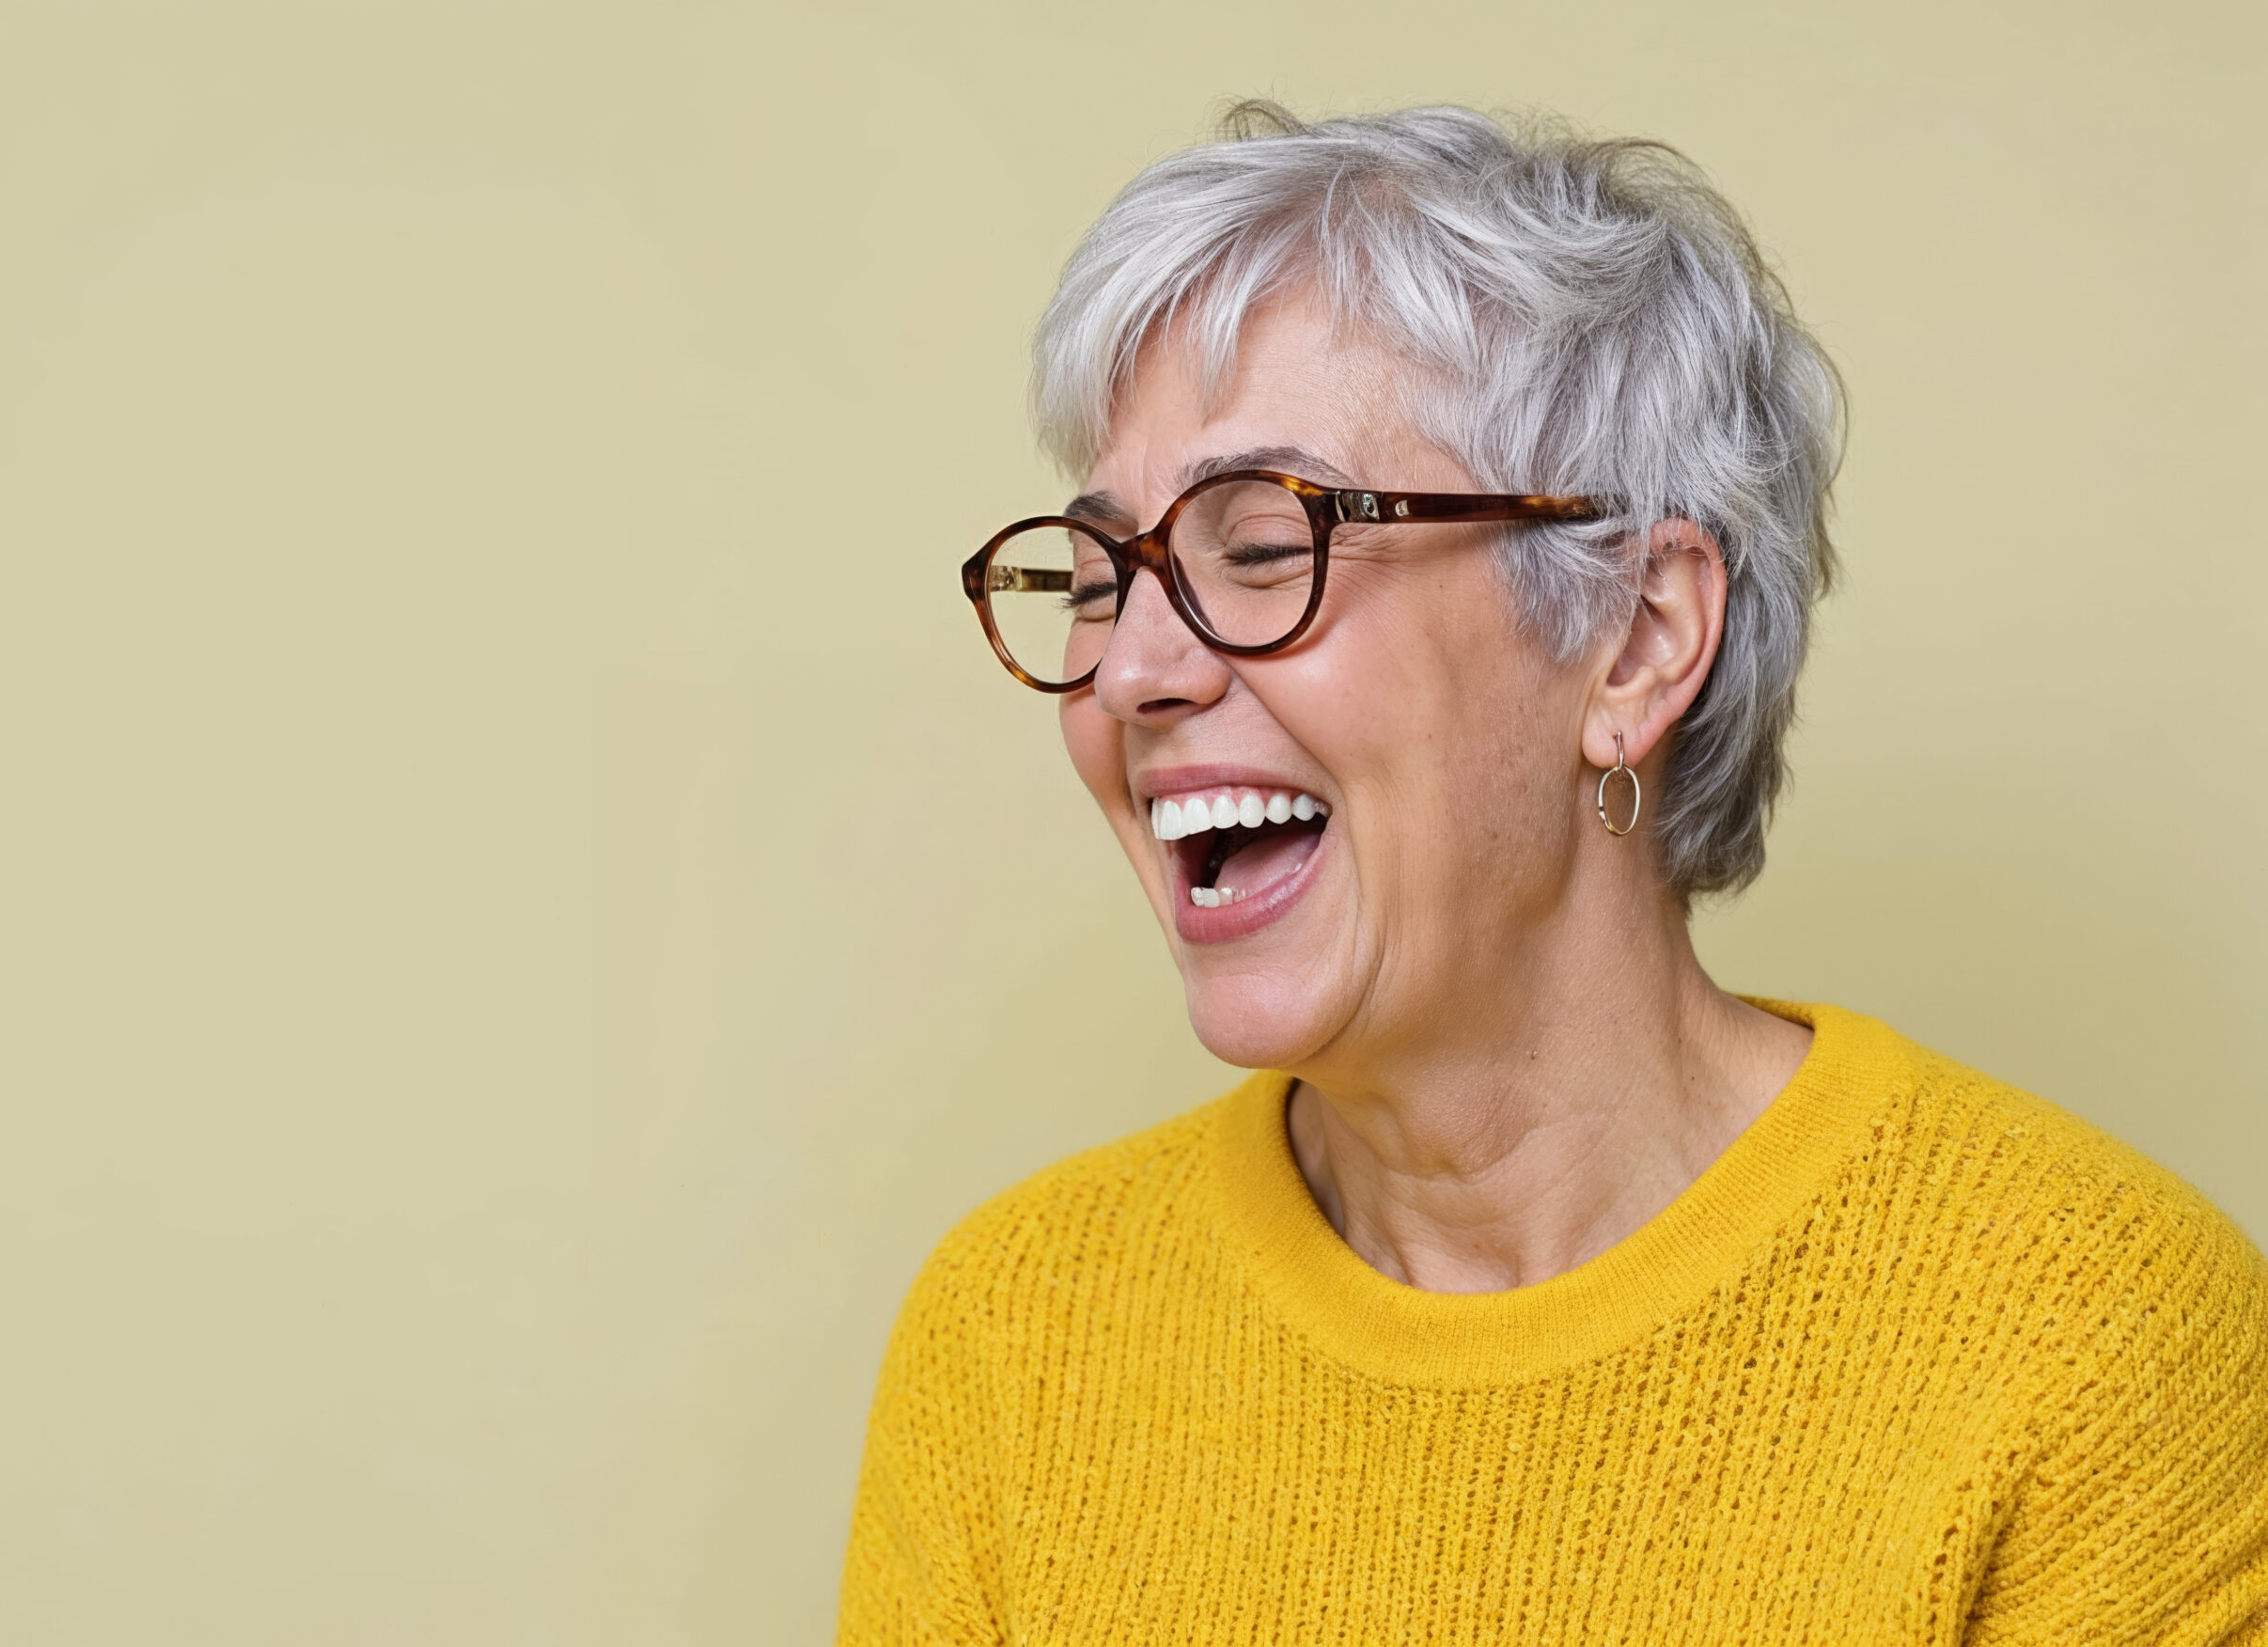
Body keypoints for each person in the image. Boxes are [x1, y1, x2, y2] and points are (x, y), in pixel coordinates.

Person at [838, 103, 2268, 1642]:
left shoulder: (2092, 1340)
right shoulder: (1011, 1339)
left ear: (1637, 640)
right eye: (1101, 576)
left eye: (1261, 549)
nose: (1130, 671)